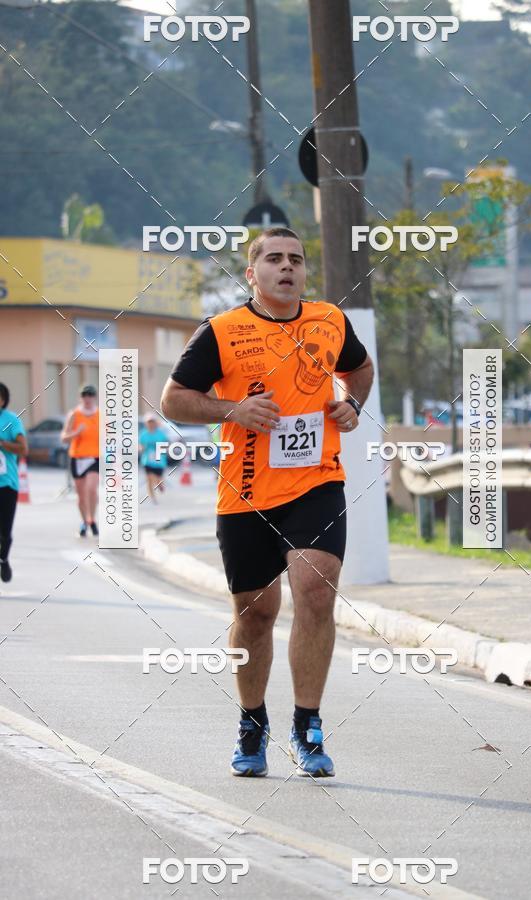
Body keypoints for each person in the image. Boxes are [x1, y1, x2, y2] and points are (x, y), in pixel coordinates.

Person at [161, 227, 374, 778]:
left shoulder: (329, 320)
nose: (287, 268)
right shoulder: (222, 331)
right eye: (274, 259)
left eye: (296, 260)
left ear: (305, 272)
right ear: (251, 273)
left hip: (316, 482)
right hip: (247, 492)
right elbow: (174, 399)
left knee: (314, 591)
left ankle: (309, 726)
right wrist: (232, 410)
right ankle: (252, 724)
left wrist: (351, 402)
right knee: (255, 615)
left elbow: (360, 366)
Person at [61, 384, 100, 537]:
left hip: (95, 458)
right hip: (77, 457)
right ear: (81, 397)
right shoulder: (75, 415)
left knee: (91, 489)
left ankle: (92, 519)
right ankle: (84, 521)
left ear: (94, 397)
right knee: (81, 495)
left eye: (90, 395)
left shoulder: (101, 415)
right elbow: (64, 438)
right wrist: (76, 432)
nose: (87, 398)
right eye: (84, 395)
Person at [0, 383, 28, 583]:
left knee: (5, 532)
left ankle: (3, 559)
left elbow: (23, 448)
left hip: (7, 484)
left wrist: (2, 444)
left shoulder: (11, 420)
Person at [138, 413, 169, 502]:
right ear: (146, 423)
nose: (150, 424)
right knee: (149, 479)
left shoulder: (160, 434)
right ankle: (153, 498)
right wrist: (141, 448)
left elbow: (166, 444)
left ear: (155, 423)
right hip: (147, 460)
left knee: (158, 479)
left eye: (152, 422)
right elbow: (140, 445)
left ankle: (159, 484)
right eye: (149, 422)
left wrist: (164, 449)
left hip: (159, 461)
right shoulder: (143, 434)